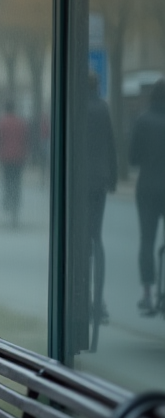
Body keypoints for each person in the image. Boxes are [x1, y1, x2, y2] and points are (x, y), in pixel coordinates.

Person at [83, 72, 117, 331]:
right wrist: (113, 177)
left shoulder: (76, 108)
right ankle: (99, 300)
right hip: (100, 181)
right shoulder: (103, 108)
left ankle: (82, 295)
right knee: (97, 237)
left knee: (81, 241)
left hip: (80, 182)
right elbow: (110, 144)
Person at [131, 80, 165, 313]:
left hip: (147, 188)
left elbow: (133, 157)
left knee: (147, 240)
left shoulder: (142, 120)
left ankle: (147, 293)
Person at [0, 102, 29, 228]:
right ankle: (16, 205)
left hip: (5, 158)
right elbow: (25, 139)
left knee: (7, 180)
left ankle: (8, 201)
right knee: (17, 181)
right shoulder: (21, 123)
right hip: (19, 157)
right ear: (14, 109)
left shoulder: (1, 123)